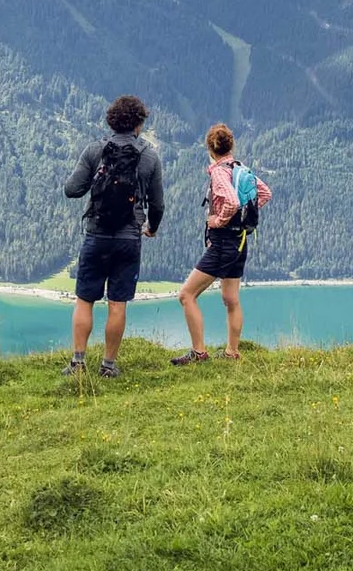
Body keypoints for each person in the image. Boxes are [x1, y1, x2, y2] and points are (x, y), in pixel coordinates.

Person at [62, 94, 165, 378]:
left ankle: (78, 363)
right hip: (129, 237)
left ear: (112, 120)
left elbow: (72, 189)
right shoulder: (149, 156)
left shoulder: (95, 150)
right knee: (117, 303)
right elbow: (157, 204)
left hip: (96, 233)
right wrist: (151, 228)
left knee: (85, 299)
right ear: (139, 124)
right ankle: (108, 366)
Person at [171, 123, 270, 365]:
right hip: (240, 240)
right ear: (231, 146)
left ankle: (198, 353)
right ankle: (232, 352)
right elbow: (265, 193)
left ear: (210, 149)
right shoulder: (240, 168)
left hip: (224, 241)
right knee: (230, 298)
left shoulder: (218, 172)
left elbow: (233, 201)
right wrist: (243, 219)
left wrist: (218, 220)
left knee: (186, 294)